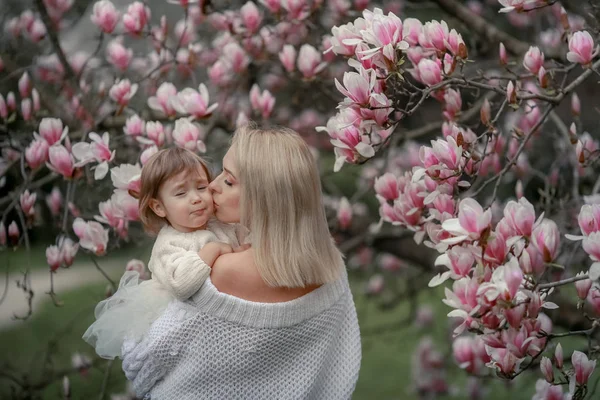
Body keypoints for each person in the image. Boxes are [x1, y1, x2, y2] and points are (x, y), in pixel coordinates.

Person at [121, 125, 362, 399]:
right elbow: (341, 361)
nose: (212, 185)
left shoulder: (224, 268)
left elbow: (144, 364)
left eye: (229, 181)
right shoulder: (331, 262)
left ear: (265, 194)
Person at [83, 147, 244, 360]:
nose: (196, 198)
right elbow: (182, 284)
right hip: (182, 329)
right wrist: (213, 250)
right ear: (159, 207)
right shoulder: (169, 245)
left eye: (202, 187)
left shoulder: (220, 223)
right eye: (181, 193)